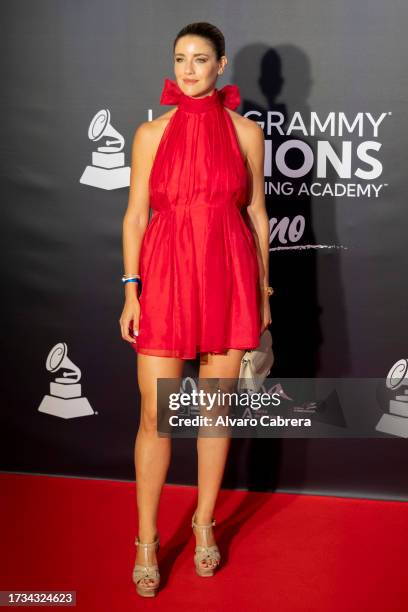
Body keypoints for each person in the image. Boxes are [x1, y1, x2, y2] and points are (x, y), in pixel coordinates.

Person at [119, 21, 272, 597]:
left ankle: (204, 524)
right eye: (180, 58)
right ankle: (147, 539)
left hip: (229, 276)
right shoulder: (149, 134)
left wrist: (262, 294)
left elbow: (256, 215)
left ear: (221, 65)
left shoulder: (246, 133)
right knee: (155, 417)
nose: (188, 68)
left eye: (200, 59)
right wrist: (131, 289)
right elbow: (136, 215)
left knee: (214, 412)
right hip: (164, 278)